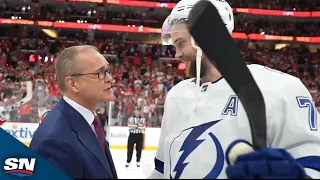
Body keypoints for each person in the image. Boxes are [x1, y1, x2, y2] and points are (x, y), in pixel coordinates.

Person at [148, 0, 320, 179]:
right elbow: (162, 170)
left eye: (181, 43)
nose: (177, 54)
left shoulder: (280, 88)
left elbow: (313, 162)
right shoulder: (177, 95)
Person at [29, 45, 118, 179]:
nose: (110, 78)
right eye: (99, 73)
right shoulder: (55, 142)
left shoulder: (88, 121)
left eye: (107, 70)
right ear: (73, 84)